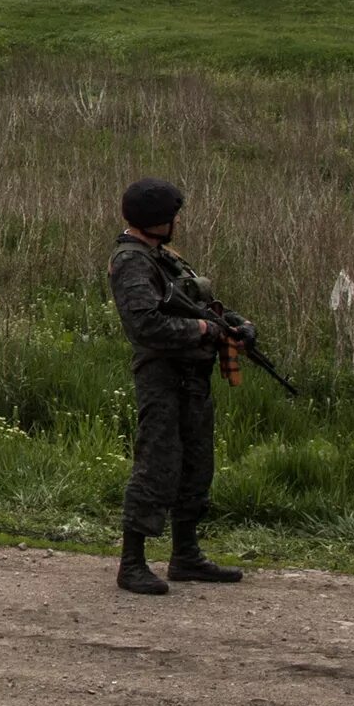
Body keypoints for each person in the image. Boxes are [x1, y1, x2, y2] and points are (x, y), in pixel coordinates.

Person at [108, 178, 244, 595]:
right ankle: (132, 563)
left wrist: (233, 324)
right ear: (158, 220)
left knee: (196, 465)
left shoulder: (162, 257)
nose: (178, 221)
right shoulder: (132, 261)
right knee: (157, 464)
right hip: (162, 377)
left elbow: (194, 302)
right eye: (173, 215)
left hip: (192, 378)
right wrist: (202, 329)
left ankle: (185, 555)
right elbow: (145, 324)